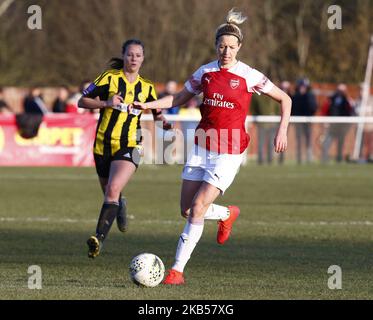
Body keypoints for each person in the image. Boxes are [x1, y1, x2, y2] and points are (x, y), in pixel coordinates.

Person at [132, 9, 292, 285]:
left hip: (229, 151)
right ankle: (227, 213)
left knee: (197, 207)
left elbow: (285, 99)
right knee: (186, 209)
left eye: (231, 47)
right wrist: (148, 105)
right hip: (201, 146)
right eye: (222, 46)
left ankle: (176, 271)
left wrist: (282, 130)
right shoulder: (205, 72)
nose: (226, 51)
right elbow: (180, 97)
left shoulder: (249, 75)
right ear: (216, 45)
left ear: (239, 47)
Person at [78, 39, 171, 258]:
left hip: (130, 145)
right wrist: (106, 103)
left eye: (138, 55)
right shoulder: (108, 78)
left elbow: (156, 113)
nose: (134, 59)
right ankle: (120, 204)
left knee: (112, 189)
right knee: (110, 194)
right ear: (123, 55)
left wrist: (164, 124)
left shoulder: (147, 87)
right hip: (102, 145)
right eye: (130, 54)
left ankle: (97, 240)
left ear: (143, 58)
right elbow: (82, 101)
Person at [320, 83, 355, 163]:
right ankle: (324, 160)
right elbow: (325, 110)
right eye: (339, 90)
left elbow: (351, 112)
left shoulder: (347, 100)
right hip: (332, 126)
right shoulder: (331, 100)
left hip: (342, 127)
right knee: (326, 143)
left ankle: (339, 159)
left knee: (340, 144)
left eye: (342, 90)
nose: (340, 92)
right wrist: (325, 122)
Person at [291, 78, 317, 164]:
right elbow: (292, 109)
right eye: (301, 86)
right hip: (297, 122)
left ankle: (308, 158)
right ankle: (299, 158)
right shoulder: (295, 96)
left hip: (307, 122)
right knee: (298, 140)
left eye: (304, 87)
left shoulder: (310, 96)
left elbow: (314, 107)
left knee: (308, 140)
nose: (302, 88)